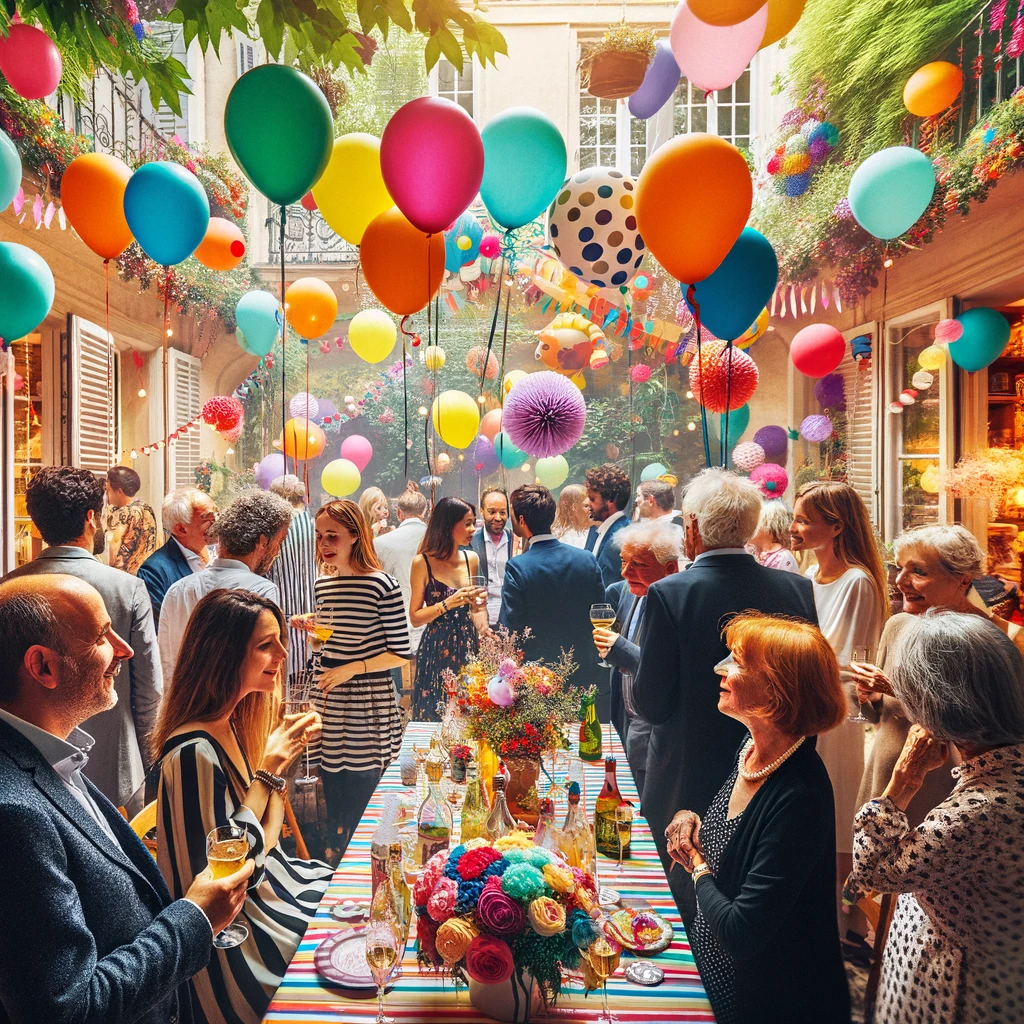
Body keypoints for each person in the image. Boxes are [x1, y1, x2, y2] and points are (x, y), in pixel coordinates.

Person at [0, 574, 253, 1024]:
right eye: (102, 635)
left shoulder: (53, 756)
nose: (125, 649)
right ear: (43, 667)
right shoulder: (14, 814)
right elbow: (68, 1010)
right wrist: (196, 918)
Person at [632, 468, 818, 924]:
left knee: (680, 912)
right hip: (772, 777)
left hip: (684, 776)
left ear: (691, 527)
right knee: (754, 906)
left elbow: (650, 703)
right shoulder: (796, 589)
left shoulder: (669, 594)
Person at [152, 589, 332, 1023]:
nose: (283, 654)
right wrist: (269, 766)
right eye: (266, 645)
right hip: (230, 952)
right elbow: (229, 874)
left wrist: (277, 767)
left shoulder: (231, 724)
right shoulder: (193, 752)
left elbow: (267, 839)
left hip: (264, 895)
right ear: (223, 655)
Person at [668, 613, 850, 1024]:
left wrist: (696, 866)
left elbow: (740, 933)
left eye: (737, 662)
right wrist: (688, 816)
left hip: (758, 995)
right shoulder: (750, 750)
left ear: (777, 691)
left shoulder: (800, 796)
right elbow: (731, 834)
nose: (720, 668)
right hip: (707, 961)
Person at [845, 611, 1024, 1024]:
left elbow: (871, 873)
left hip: (949, 993)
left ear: (937, 708)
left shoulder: (981, 809)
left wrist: (903, 781)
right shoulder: (999, 770)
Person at [3, 466, 162, 812]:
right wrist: (153, 763)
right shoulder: (127, 588)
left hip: (28, 773)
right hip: (116, 772)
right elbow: (149, 691)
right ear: (91, 518)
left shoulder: (7, 589)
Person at [790, 481, 887, 915]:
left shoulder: (858, 581)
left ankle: (842, 923)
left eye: (803, 520)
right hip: (807, 702)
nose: (793, 527)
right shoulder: (810, 575)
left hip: (836, 710)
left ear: (835, 527)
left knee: (833, 814)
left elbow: (844, 658)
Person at [851, 525, 980, 828]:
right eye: (900, 568)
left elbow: (970, 719)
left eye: (918, 571)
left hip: (938, 781)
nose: (900, 580)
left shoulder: (982, 639)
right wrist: (866, 698)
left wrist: (892, 687)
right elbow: (876, 714)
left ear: (963, 579)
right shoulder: (897, 625)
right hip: (884, 770)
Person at [308, 500, 411, 855]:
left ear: (355, 536)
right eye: (320, 536)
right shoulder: (324, 585)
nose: (324, 544)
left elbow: (400, 651)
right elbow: (328, 640)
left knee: (366, 786)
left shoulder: (381, 585)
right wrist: (315, 637)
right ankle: (337, 856)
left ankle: (371, 855)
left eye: (332, 536)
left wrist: (351, 668)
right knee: (332, 781)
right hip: (330, 698)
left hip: (366, 699)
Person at [159, 491, 292, 683]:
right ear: (262, 542)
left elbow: (166, 662)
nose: (277, 551)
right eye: (279, 542)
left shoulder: (178, 590)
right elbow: (267, 668)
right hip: (238, 709)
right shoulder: (262, 590)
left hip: (183, 708)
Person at [592, 519, 683, 799]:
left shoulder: (678, 603)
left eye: (638, 565)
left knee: (645, 803)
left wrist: (624, 650)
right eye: (622, 561)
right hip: (625, 717)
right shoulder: (626, 592)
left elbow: (670, 673)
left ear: (670, 569)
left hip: (654, 728)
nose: (624, 572)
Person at [500, 485, 607, 713]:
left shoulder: (518, 567)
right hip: (584, 670)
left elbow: (511, 628)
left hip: (538, 677)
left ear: (521, 519)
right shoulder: (587, 560)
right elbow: (601, 614)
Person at [409, 497, 485, 722]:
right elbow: (414, 617)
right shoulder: (422, 562)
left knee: (470, 714)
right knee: (435, 713)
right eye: (468, 523)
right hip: (436, 646)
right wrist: (447, 604)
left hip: (468, 642)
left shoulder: (470, 558)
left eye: (474, 523)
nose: (472, 530)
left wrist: (479, 609)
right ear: (449, 525)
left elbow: (476, 610)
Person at [374, 490, 429, 696]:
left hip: (394, 628)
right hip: (430, 622)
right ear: (425, 511)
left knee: (401, 693)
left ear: (399, 513)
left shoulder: (380, 543)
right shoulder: (437, 539)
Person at [138, 488, 218, 628]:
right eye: (209, 519)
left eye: (217, 514)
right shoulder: (154, 572)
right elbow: (161, 630)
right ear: (181, 529)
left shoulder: (222, 552)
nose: (217, 522)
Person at [267, 475, 317, 684]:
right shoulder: (314, 524)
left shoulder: (274, 529)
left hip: (282, 613)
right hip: (313, 612)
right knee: (311, 676)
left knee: (284, 682)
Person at [469, 487, 514, 628]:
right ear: (481, 511)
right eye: (492, 512)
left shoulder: (516, 541)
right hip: (480, 618)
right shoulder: (471, 542)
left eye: (502, 512)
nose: (498, 518)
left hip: (510, 617)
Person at [584, 463, 632, 587]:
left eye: (592, 499)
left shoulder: (620, 537)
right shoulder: (600, 532)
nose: (588, 504)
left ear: (611, 499)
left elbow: (611, 588)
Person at [104, 465, 158, 575]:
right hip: (146, 573)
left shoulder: (123, 513)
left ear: (119, 491)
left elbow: (112, 553)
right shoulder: (146, 508)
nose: (106, 495)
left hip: (124, 577)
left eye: (108, 490)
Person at [747, 500, 800, 574]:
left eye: (755, 523)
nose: (748, 527)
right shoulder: (750, 551)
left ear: (769, 527)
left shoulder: (784, 558)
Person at [552, 483, 592, 547]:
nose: (591, 509)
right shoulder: (561, 537)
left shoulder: (594, 530)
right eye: (586, 506)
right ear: (574, 507)